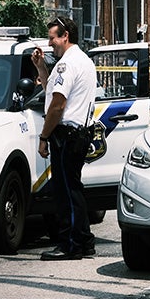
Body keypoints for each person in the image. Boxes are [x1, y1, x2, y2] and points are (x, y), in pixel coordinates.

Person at [32, 16, 97, 260]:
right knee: (74, 189)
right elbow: (54, 91)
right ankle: (85, 240)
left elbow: (57, 105)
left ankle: (70, 244)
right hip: (79, 133)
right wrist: (41, 68)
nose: (50, 44)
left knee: (66, 192)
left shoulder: (66, 64)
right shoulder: (83, 60)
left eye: (52, 38)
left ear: (65, 36)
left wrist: (44, 136)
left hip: (66, 135)